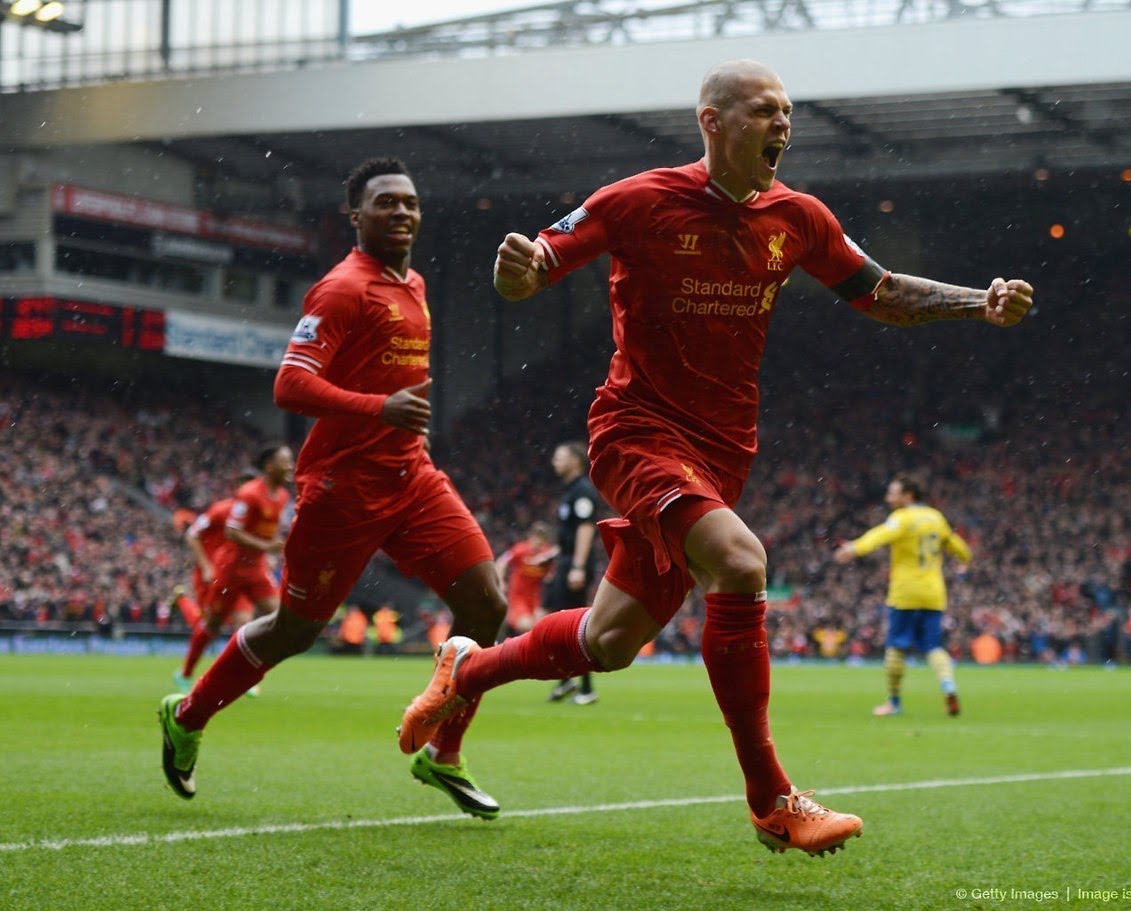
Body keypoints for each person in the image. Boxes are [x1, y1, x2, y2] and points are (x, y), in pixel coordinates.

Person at [400, 59, 1034, 856]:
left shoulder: (797, 217)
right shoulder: (636, 201)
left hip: (724, 453)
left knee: (610, 641)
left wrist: (980, 301)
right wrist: (515, 271)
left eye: (788, 113)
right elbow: (532, 273)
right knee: (740, 562)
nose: (783, 126)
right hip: (637, 431)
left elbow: (879, 292)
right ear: (712, 121)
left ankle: (467, 668)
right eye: (766, 112)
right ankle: (773, 798)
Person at [158, 157, 507, 822]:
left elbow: (400, 380)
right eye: (385, 203)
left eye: (409, 202)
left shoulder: (415, 284)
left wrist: (405, 429)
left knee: (486, 604)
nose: (401, 212)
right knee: (294, 631)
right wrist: (379, 409)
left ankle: (445, 753)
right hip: (342, 489)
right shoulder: (342, 288)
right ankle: (189, 714)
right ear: (356, 215)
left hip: (412, 478)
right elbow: (289, 386)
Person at [834, 474, 972, 716]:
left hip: (906, 592)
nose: (889, 498)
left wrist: (854, 548)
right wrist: (964, 560)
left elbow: (879, 535)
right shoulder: (936, 517)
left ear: (908, 496)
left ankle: (894, 702)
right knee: (933, 646)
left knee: (896, 647)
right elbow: (958, 547)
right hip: (933, 593)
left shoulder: (902, 518)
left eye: (893, 493)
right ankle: (948, 687)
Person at [172, 464, 277, 694]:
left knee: (244, 622)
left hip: (242, 573)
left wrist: (264, 559)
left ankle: (244, 677)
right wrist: (207, 566)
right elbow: (192, 535)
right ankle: (186, 672)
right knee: (210, 625)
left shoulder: (259, 512)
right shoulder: (221, 510)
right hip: (213, 573)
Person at [544, 441, 606, 705]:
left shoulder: (582, 491)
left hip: (575, 564)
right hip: (567, 561)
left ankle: (586, 688)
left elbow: (585, 529)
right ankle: (566, 680)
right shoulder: (569, 491)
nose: (554, 461)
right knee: (561, 621)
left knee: (575, 625)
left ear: (575, 461)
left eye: (560, 456)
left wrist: (577, 567)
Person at [494, 521, 558, 639]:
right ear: (531, 538)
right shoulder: (520, 550)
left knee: (543, 628)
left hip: (537, 598)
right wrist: (501, 583)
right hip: (518, 598)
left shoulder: (546, 555)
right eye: (536, 540)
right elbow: (501, 562)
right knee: (527, 626)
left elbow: (555, 558)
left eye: (542, 542)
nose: (538, 545)